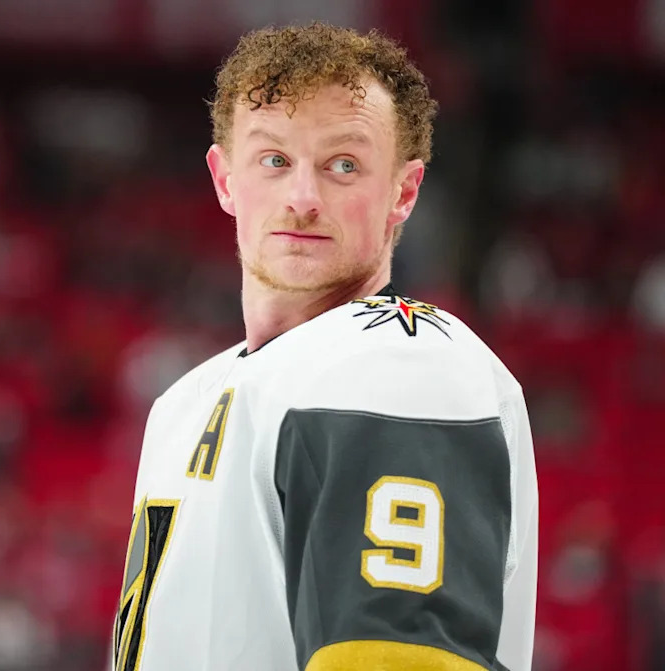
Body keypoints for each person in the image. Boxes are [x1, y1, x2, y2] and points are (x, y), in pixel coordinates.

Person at [113, 23, 537, 671]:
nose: (304, 199)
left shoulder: (401, 363)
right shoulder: (183, 401)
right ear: (225, 180)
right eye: (275, 160)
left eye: (344, 164)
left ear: (404, 191)